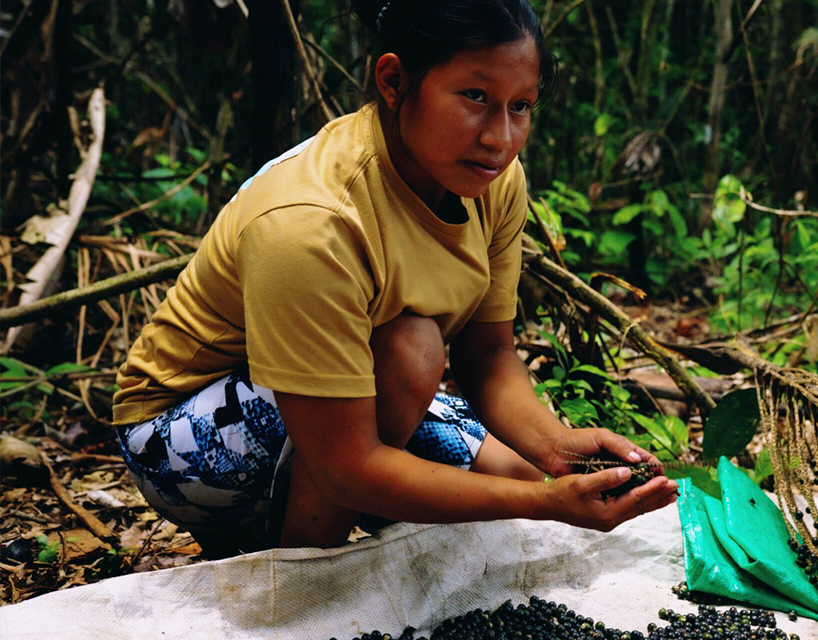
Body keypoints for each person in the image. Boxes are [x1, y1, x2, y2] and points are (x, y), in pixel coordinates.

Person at [111, 0, 679, 559]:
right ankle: (302, 579)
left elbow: (488, 357)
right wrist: (544, 503)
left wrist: (556, 451)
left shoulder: (493, 181)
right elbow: (348, 466)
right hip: (179, 435)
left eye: (521, 106)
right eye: (475, 97)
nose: (500, 138)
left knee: (530, 471)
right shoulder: (312, 222)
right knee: (415, 353)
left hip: (346, 392)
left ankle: (296, 531)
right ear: (393, 81)